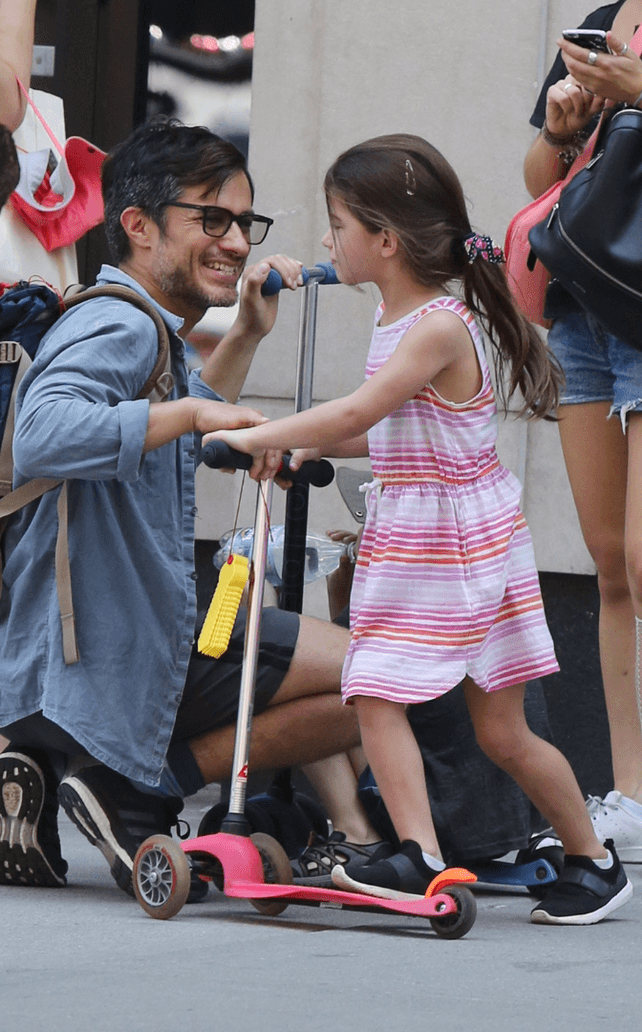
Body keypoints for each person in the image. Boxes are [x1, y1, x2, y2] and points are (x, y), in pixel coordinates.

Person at [208, 134, 632, 924]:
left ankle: (422, 858)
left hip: (446, 548)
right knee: (501, 732)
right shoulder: (401, 317)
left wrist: (255, 433)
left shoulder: (436, 327)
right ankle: (593, 862)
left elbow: (358, 412)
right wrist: (301, 447)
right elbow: (386, 433)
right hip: (461, 541)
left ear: (386, 241)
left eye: (339, 225)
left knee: (376, 692)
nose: (328, 240)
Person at [0, 117, 385, 897]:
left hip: (39, 662)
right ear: (139, 225)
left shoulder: (128, 320)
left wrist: (248, 335)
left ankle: (51, 763)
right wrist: (197, 414)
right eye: (211, 219)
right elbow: (43, 434)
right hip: (109, 655)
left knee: (339, 665)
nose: (235, 242)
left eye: (244, 222)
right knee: (381, 677)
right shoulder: (120, 323)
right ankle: (135, 783)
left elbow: (181, 428)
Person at [522, 3, 642, 861]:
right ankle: (631, 791)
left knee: (641, 557)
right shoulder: (606, 18)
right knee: (610, 567)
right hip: (584, 310)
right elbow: (540, 178)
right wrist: (563, 131)